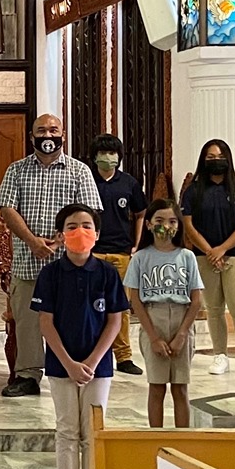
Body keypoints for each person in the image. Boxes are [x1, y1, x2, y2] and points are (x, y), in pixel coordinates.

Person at [0, 113, 101, 397]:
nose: (48, 135)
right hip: (28, 262)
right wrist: (32, 241)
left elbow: (89, 214)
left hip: (69, 262)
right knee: (27, 322)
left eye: (53, 129)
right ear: (32, 137)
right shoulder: (17, 170)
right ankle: (27, 375)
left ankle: (69, 368)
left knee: (69, 319)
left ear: (63, 135)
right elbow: (6, 208)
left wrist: (60, 240)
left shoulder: (80, 171)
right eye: (41, 130)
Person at [34, 204, 123, 469]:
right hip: (61, 366)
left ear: (97, 234)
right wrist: (70, 364)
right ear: (61, 235)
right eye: (72, 226)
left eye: (87, 226)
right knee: (68, 431)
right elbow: (46, 323)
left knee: (92, 433)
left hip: (98, 367)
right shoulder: (51, 275)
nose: (80, 232)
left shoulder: (107, 273)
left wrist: (92, 361)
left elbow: (114, 320)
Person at [180, 138, 235, 378]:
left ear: (228, 159)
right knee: (214, 308)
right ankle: (220, 355)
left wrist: (222, 249)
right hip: (204, 255)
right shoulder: (193, 191)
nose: (215, 161)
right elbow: (189, 225)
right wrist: (209, 251)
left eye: (219, 157)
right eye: (210, 158)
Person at [125, 199, 204, 428]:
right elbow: (136, 300)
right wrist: (154, 337)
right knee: (157, 387)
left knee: (180, 388)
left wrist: (182, 335)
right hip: (153, 318)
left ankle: (183, 438)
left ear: (178, 225)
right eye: (159, 220)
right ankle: (155, 436)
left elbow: (197, 298)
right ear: (148, 224)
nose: (165, 226)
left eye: (171, 221)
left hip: (182, 319)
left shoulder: (187, 256)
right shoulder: (140, 258)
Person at [88, 134, 147, 376]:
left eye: (112, 153)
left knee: (120, 307)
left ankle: (123, 356)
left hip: (121, 253)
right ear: (95, 157)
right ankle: (92, 351)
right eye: (103, 153)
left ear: (119, 157)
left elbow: (141, 212)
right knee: (90, 305)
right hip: (91, 253)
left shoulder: (129, 183)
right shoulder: (87, 180)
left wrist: (137, 244)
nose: (108, 157)